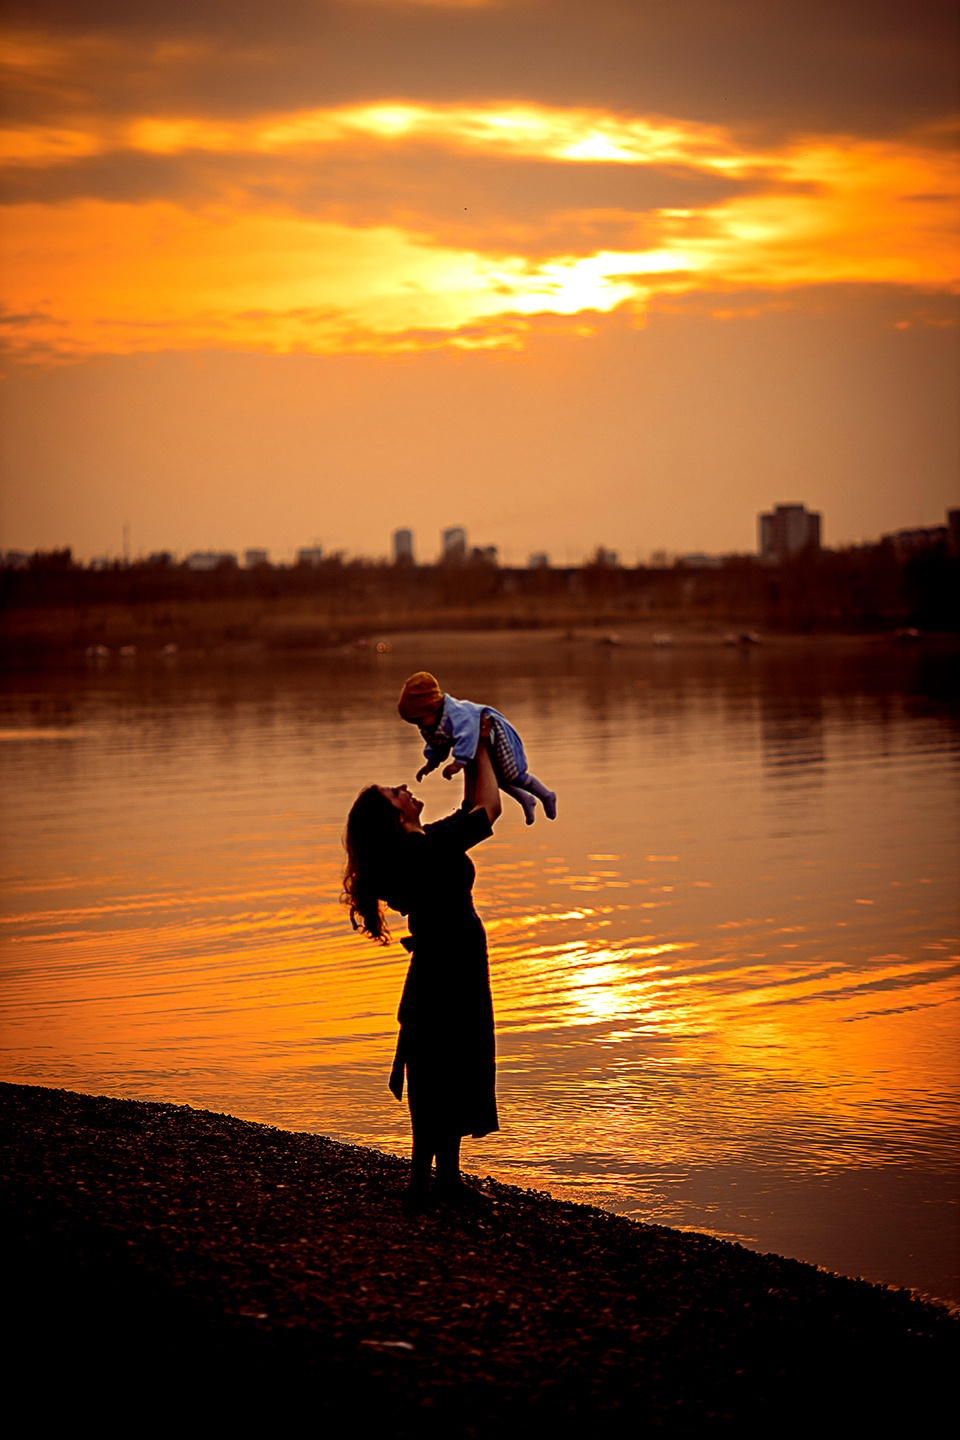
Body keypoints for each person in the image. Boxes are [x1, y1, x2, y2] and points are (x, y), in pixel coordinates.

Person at [342, 718, 502, 1212]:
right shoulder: (422, 848)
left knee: (436, 1068)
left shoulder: (417, 846)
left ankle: (428, 1182)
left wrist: (474, 750)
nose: (406, 788)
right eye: (396, 793)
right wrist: (482, 750)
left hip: (440, 964)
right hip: (451, 965)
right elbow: (489, 810)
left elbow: (470, 811)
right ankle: (438, 1183)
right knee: (446, 1065)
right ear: (394, 817)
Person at [397, 670, 556, 826]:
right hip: (476, 742)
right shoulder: (431, 726)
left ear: (431, 709)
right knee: (493, 778)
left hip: (493, 732)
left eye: (420, 720)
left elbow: (467, 734)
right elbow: (437, 744)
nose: (419, 727)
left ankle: (546, 794)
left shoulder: (457, 714)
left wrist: (458, 763)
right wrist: (431, 763)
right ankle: (526, 799)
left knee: (513, 775)